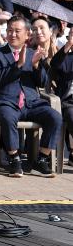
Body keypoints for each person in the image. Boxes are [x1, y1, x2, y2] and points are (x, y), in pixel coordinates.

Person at [0, 16, 61, 177]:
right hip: (8, 101)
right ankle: (15, 159)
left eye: (17, 31)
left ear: (27, 34)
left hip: (32, 102)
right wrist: (18, 65)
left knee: (54, 117)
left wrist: (35, 65)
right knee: (6, 117)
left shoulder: (34, 53)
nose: (12, 34)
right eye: (10, 31)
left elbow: (42, 82)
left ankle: (41, 159)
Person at [50, 27, 73, 167]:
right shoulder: (66, 56)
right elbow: (54, 65)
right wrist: (68, 46)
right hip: (68, 101)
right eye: (71, 34)